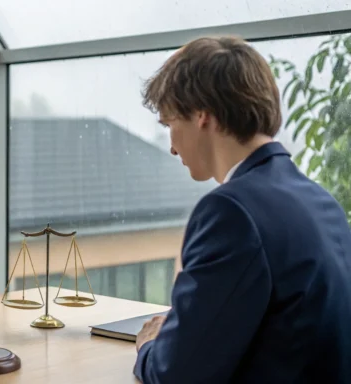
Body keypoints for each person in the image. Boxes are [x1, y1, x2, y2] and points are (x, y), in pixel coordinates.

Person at [133, 36, 351, 383]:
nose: (172, 146)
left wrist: (149, 345)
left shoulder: (230, 213)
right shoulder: (322, 202)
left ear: (201, 115)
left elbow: (175, 374)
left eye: (169, 123)